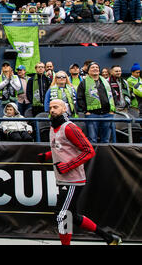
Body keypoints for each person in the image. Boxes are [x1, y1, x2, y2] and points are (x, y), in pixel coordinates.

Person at [37, 99, 122, 245]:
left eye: (56, 107)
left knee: (62, 215)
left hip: (72, 179)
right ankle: (109, 238)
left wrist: (68, 166)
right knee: (72, 216)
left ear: (64, 109)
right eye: (50, 107)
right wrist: (47, 155)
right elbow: (60, 148)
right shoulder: (53, 127)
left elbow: (89, 151)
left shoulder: (70, 128)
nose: (52, 110)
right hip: (62, 178)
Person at [76, 62, 115, 143]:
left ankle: (104, 155)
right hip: (92, 115)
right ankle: (93, 156)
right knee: (92, 139)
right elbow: (79, 98)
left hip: (107, 114)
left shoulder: (106, 82)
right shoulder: (83, 83)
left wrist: (112, 110)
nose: (95, 69)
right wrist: (86, 111)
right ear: (88, 71)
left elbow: (113, 95)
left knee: (106, 140)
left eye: (97, 67)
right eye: (92, 67)